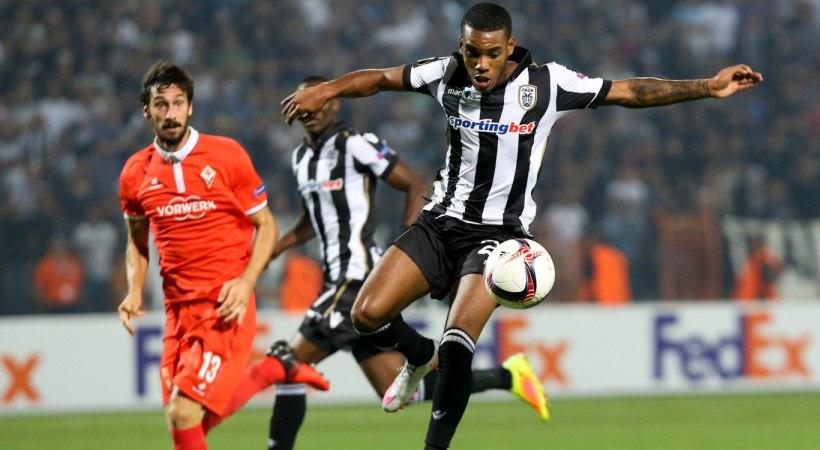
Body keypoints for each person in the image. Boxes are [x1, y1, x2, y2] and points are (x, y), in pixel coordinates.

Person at [281, 3, 763, 448]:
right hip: (440, 222)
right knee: (366, 315)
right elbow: (381, 78)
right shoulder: (444, 73)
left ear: (509, 47)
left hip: (498, 238)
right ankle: (419, 354)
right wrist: (328, 88)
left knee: (458, 345)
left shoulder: (548, 84)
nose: (481, 64)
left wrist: (707, 86)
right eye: (472, 52)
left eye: (492, 54)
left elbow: (629, 91)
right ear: (461, 46)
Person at [237, 76, 550, 450]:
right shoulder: (301, 159)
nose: (313, 111)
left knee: (289, 361)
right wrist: (278, 247)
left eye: (320, 101)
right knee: (396, 390)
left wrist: (405, 243)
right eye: (306, 104)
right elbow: (312, 218)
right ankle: (507, 376)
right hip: (333, 279)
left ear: (334, 103)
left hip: (354, 278)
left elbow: (413, 183)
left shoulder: (355, 144)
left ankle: (422, 353)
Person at [116, 61, 329, 450]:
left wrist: (246, 283)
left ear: (190, 107)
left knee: (183, 414)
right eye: (161, 105)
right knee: (186, 422)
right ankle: (273, 368)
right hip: (177, 313)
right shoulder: (135, 173)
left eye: (178, 103)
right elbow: (136, 241)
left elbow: (267, 226)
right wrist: (133, 290)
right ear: (147, 111)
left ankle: (273, 368)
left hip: (224, 306)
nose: (170, 113)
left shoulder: (226, 155)